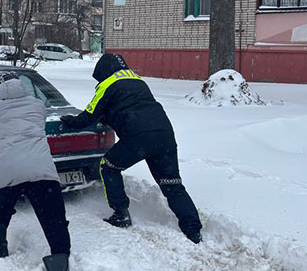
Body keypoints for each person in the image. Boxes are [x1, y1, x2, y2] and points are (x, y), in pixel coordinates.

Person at [60, 53, 203, 244]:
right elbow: (130, 106)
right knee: (172, 184)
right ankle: (193, 230)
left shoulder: (107, 85)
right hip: (164, 135)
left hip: (138, 137)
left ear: (103, 71)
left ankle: (121, 214)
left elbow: (89, 116)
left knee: (109, 166)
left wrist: (71, 122)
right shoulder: (138, 81)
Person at [0, 73, 72, 271]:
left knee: (4, 208)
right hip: (40, 168)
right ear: (23, 88)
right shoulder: (38, 105)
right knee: (54, 216)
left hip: (10, 169)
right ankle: (59, 261)